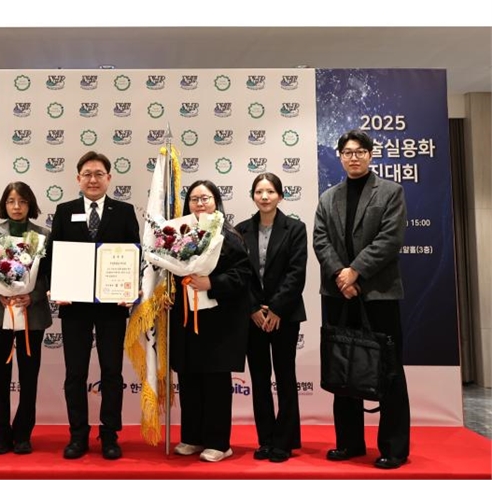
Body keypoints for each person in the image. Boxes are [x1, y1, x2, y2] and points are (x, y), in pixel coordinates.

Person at [313, 129, 409, 469]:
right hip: (338, 294)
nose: (353, 157)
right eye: (347, 152)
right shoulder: (328, 197)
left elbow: (390, 239)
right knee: (343, 366)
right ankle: (349, 443)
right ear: (340, 156)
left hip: (378, 294)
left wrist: (356, 272)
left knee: (389, 369)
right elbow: (320, 240)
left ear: (370, 154)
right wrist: (341, 275)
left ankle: (394, 448)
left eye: (360, 151)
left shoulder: (391, 192)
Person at [45, 151, 140, 460]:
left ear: (109, 178)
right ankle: (78, 435)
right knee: (75, 373)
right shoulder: (65, 211)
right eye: (87, 174)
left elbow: (135, 255)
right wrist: (55, 288)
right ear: (78, 178)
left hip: (113, 305)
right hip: (74, 306)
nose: (93, 179)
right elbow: (53, 256)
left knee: (112, 372)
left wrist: (132, 289)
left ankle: (110, 434)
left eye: (99, 174)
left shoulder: (124, 211)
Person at [170, 180, 251, 463]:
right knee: (189, 377)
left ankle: (219, 443)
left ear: (217, 201)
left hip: (219, 321)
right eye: (194, 199)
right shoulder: (178, 235)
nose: (200, 203)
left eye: (205, 198)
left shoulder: (229, 235)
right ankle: (192, 437)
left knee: (215, 381)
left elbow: (243, 275)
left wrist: (211, 283)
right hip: (186, 318)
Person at [236, 173, 307, 463]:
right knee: (260, 379)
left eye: (270, 192)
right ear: (252, 196)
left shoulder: (295, 228)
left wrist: (276, 308)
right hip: (252, 317)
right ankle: (265, 439)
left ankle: (284, 441)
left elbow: (296, 273)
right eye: (259, 192)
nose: (264, 197)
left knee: (286, 377)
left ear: (281, 196)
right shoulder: (241, 230)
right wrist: (253, 308)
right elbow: (241, 274)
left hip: (285, 315)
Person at [0, 182, 52, 455]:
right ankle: (1, 432)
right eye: (11, 201)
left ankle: (23, 433)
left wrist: (34, 295)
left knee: (29, 377)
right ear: (4, 205)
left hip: (32, 315)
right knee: (0, 376)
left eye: (22, 201)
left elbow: (51, 275)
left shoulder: (43, 235)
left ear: (30, 204)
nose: (17, 207)